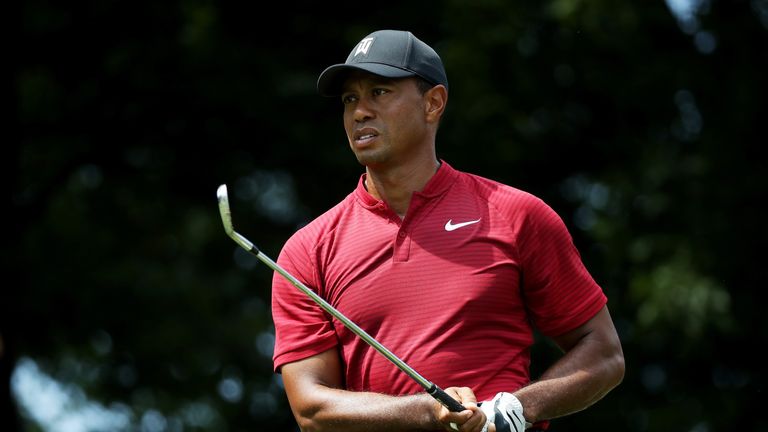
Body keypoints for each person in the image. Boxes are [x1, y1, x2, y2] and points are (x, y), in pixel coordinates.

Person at [270, 29, 625, 432]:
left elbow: (603, 353)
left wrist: (514, 409)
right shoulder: (306, 251)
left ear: (433, 103)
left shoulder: (515, 214)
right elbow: (312, 409)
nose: (360, 112)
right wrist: (428, 410)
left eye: (379, 92)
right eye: (350, 98)